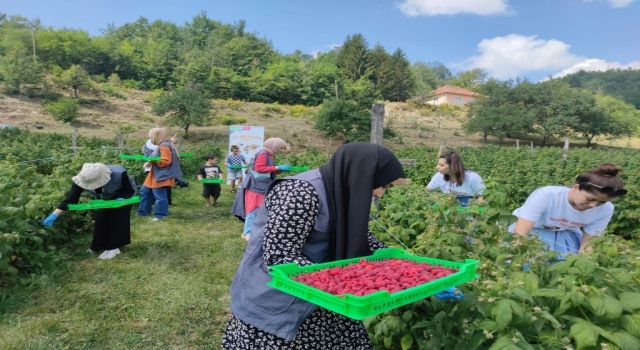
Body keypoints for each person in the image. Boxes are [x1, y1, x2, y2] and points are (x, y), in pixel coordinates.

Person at [222, 143, 411, 350]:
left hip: (326, 300)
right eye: (384, 185)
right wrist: (336, 281)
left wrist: (406, 268)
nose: (381, 193)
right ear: (363, 175)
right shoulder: (299, 192)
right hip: (279, 302)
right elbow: (280, 256)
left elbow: (360, 236)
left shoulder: (344, 193)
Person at [509, 163, 626, 259]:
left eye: (602, 202)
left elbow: (587, 243)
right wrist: (516, 257)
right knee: (530, 260)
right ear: (576, 188)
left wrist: (583, 264)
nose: (594, 205)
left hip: (564, 231)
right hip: (534, 229)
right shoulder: (546, 195)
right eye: (590, 199)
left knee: (565, 262)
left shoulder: (606, 209)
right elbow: (520, 234)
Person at [42, 163, 136, 260]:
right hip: (105, 196)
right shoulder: (83, 177)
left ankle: (113, 248)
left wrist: (122, 198)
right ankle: (97, 246)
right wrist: (54, 214)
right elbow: (71, 198)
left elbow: (128, 190)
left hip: (123, 193)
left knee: (117, 217)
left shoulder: (120, 174)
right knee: (101, 217)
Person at [231, 137, 291, 241]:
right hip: (256, 186)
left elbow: (264, 169)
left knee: (259, 209)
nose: (280, 151)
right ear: (275, 146)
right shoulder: (263, 153)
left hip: (261, 186)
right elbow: (259, 168)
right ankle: (247, 233)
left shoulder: (266, 153)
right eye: (280, 148)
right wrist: (277, 167)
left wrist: (277, 170)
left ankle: (254, 230)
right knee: (253, 210)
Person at [138, 127, 182, 221]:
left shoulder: (164, 146)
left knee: (159, 196)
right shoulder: (163, 145)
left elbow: (166, 161)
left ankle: (160, 215)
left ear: (156, 136)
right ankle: (143, 213)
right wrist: (150, 162)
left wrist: (152, 161)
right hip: (154, 174)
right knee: (145, 192)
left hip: (162, 175)